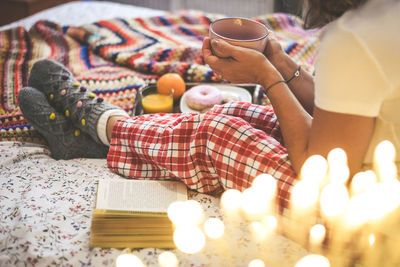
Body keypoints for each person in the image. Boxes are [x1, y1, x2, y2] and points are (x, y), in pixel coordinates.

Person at [18, 0, 400, 209]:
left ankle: (103, 122)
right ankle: (88, 143)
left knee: (218, 133)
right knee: (241, 113)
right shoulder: (381, 19)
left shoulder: (356, 37)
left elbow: (317, 170)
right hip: (371, 166)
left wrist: (268, 77)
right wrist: (281, 63)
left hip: (362, 209)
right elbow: (340, 108)